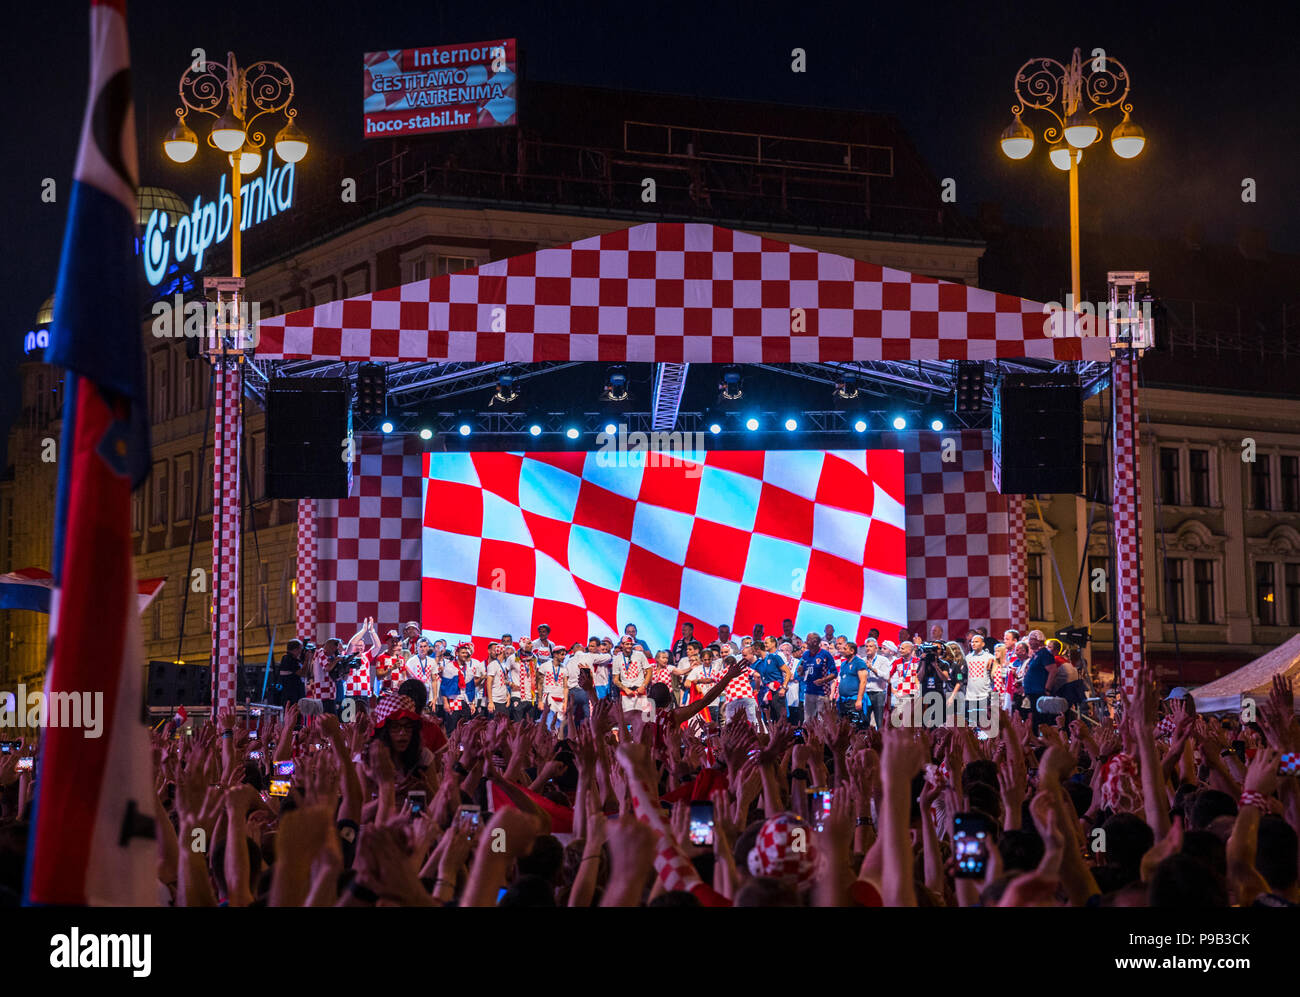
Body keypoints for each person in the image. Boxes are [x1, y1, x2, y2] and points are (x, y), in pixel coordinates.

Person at [612, 635, 652, 721]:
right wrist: (625, 689)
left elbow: (649, 670)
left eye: (631, 644)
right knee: (628, 721)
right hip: (626, 694)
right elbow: (615, 679)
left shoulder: (640, 655)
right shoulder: (617, 659)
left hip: (640, 691)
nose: (629, 646)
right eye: (627, 644)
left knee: (645, 720)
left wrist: (643, 686)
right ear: (622, 645)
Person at [800, 634, 837, 723]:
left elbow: (834, 673)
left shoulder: (825, 654)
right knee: (808, 721)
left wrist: (823, 680)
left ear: (815, 642)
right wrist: (800, 671)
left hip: (822, 693)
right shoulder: (805, 654)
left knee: (823, 722)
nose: (806, 642)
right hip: (808, 692)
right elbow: (802, 672)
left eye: (808, 640)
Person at [860, 637, 890, 729]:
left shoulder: (883, 660)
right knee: (865, 722)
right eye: (866, 646)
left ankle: (880, 742)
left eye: (870, 646)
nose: (868, 648)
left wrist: (872, 668)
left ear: (876, 648)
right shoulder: (862, 660)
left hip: (878, 693)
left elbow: (886, 677)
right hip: (865, 694)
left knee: (879, 722)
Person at [836, 641, 869, 723]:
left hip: (854, 699)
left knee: (855, 726)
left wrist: (859, 700)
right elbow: (842, 680)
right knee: (843, 726)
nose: (843, 650)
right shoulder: (843, 664)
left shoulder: (859, 662)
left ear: (852, 651)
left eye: (845, 649)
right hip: (843, 700)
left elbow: (863, 681)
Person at [402, 637, 438, 711]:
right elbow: (407, 680)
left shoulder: (432, 661)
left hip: (429, 697)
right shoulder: (411, 661)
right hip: (415, 696)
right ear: (417, 648)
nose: (423, 649)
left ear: (428, 647)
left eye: (425, 646)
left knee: (428, 719)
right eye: (420, 646)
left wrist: (434, 698)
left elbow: (434, 681)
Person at [276, 639, 308, 707]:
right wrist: (307, 660)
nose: (301, 651)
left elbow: (305, 673)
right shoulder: (288, 659)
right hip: (291, 697)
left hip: (296, 695)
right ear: (295, 649)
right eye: (301, 649)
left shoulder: (295, 660)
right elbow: (302, 673)